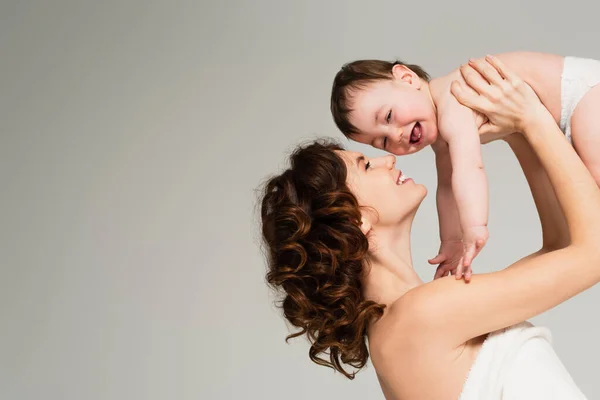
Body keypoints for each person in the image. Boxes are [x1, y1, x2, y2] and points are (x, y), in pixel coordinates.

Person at [260, 56, 600, 399]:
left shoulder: (407, 320)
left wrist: (516, 131)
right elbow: (593, 253)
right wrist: (532, 118)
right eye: (366, 163)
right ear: (355, 218)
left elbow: (564, 247)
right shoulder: (422, 315)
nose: (389, 158)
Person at [330, 52, 600, 280]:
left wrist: (475, 227)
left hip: (582, 94)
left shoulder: (452, 99)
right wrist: (452, 242)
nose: (396, 134)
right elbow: (446, 186)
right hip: (559, 118)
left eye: (389, 116)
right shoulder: (439, 131)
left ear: (407, 78)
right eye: (382, 141)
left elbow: (469, 168)